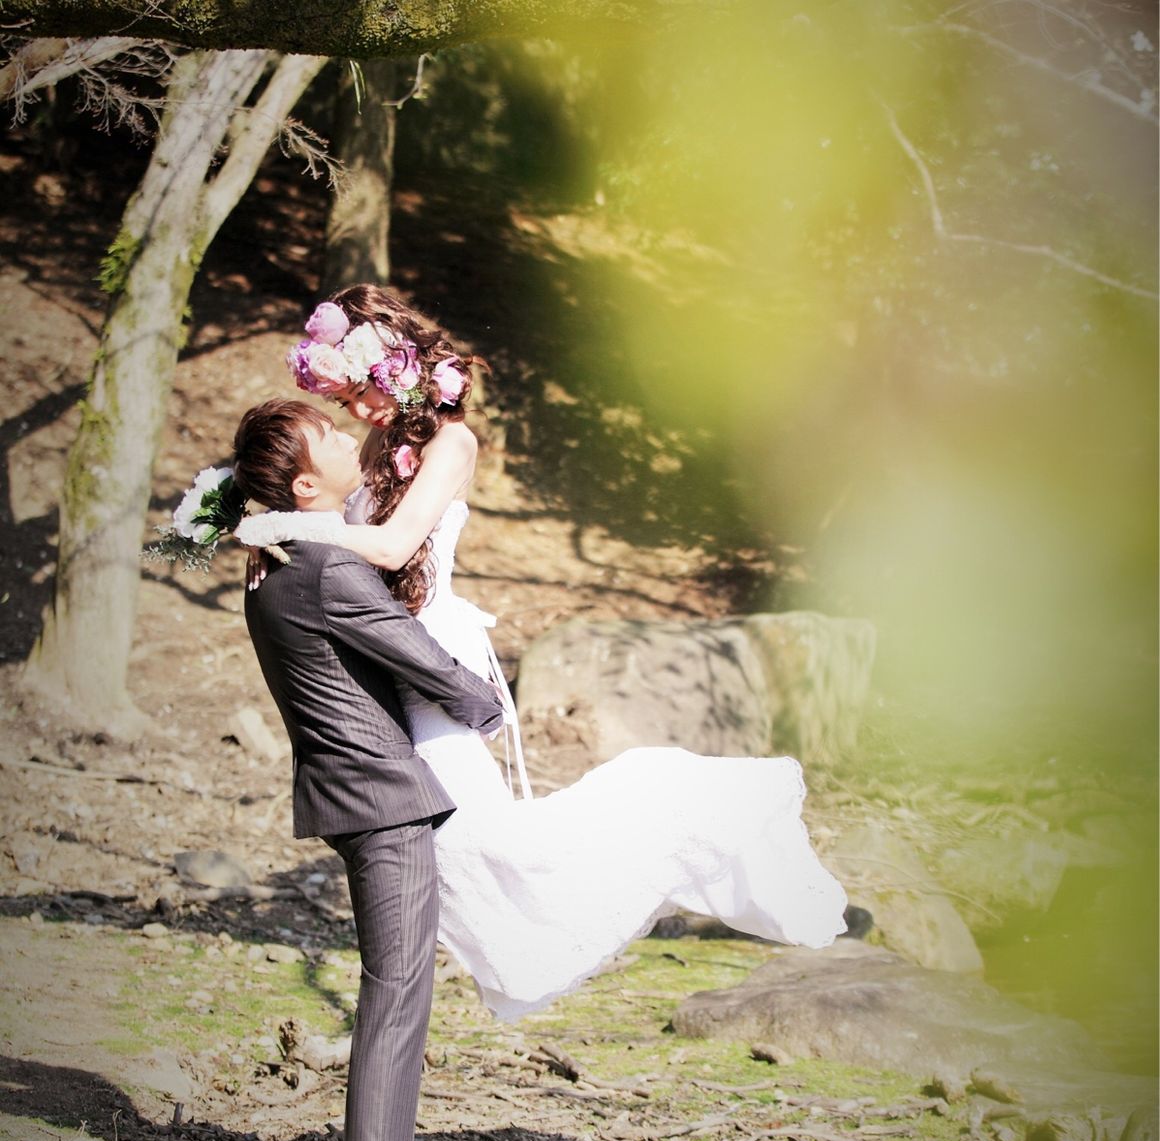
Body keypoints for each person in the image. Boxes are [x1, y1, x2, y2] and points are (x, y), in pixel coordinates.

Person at [237, 285, 849, 1021]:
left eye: (360, 393)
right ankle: (449, 973)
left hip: (430, 656)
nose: (357, 412)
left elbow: (394, 547)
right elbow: (338, 539)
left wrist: (287, 528)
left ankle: (685, 811)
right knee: (460, 846)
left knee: (491, 842)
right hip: (381, 656)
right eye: (343, 402)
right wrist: (273, 528)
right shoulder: (371, 448)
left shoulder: (452, 444)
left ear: (396, 368)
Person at [231, 398, 504, 1141]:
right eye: (329, 437)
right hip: (382, 801)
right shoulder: (327, 568)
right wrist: (488, 703)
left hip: (345, 792)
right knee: (395, 996)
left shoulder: (272, 567)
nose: (349, 437)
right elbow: (423, 662)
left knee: (393, 989)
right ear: (305, 488)